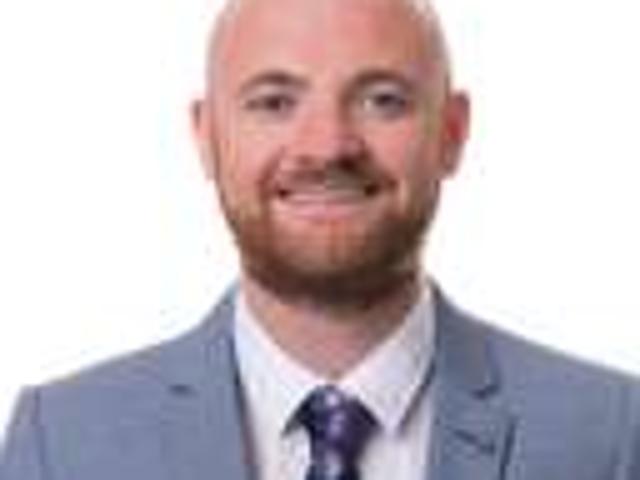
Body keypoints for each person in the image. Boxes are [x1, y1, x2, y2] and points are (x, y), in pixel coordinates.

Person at [2, 0, 639, 478]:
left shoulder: (614, 437)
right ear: (206, 137)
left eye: (382, 100)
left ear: (452, 132)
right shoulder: (61, 448)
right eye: (274, 102)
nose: (327, 146)